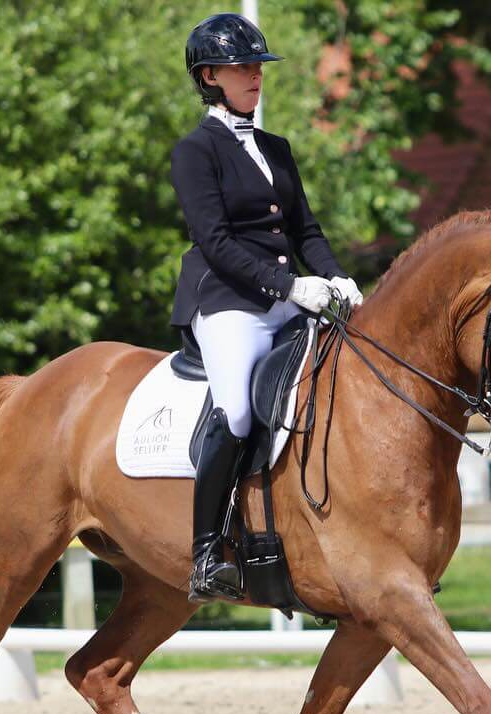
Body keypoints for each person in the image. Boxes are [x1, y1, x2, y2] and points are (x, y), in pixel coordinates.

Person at [169, 13, 363, 603]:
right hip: (229, 302)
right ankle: (207, 552)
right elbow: (217, 243)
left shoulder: (276, 148)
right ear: (210, 77)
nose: (256, 75)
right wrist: (291, 290)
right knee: (235, 413)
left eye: (258, 66)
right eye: (243, 66)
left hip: (287, 299)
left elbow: (305, 230)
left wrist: (335, 276)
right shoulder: (194, 151)